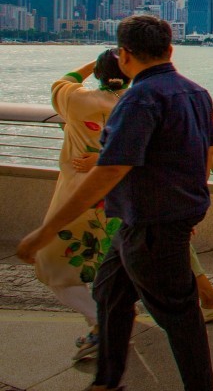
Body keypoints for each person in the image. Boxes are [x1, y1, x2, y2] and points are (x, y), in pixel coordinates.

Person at [18, 15, 213, 391]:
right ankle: (107, 382)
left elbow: (109, 171)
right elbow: (207, 152)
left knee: (178, 315)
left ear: (125, 55)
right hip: (139, 222)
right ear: (170, 49)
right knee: (110, 294)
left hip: (152, 223)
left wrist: (45, 232)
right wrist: (193, 202)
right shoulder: (195, 92)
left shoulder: (140, 99)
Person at [35, 49, 129, 360]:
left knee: (52, 266)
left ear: (100, 74)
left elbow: (63, 81)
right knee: (113, 270)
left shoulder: (77, 101)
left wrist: (96, 62)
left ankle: (100, 324)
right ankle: (104, 325)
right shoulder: (134, 104)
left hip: (77, 200)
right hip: (117, 200)